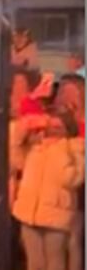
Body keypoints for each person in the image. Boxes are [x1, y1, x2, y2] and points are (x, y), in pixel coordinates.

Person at [12, 110, 84, 270]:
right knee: (35, 265)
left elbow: (70, 179)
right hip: (29, 214)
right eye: (49, 127)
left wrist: (60, 147)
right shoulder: (35, 148)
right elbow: (15, 156)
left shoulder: (75, 150)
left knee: (55, 265)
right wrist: (31, 123)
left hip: (56, 218)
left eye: (57, 127)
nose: (52, 131)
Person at [54, 75, 86, 270]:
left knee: (74, 239)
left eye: (72, 91)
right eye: (64, 91)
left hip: (79, 183)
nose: (67, 96)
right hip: (58, 184)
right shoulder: (55, 119)